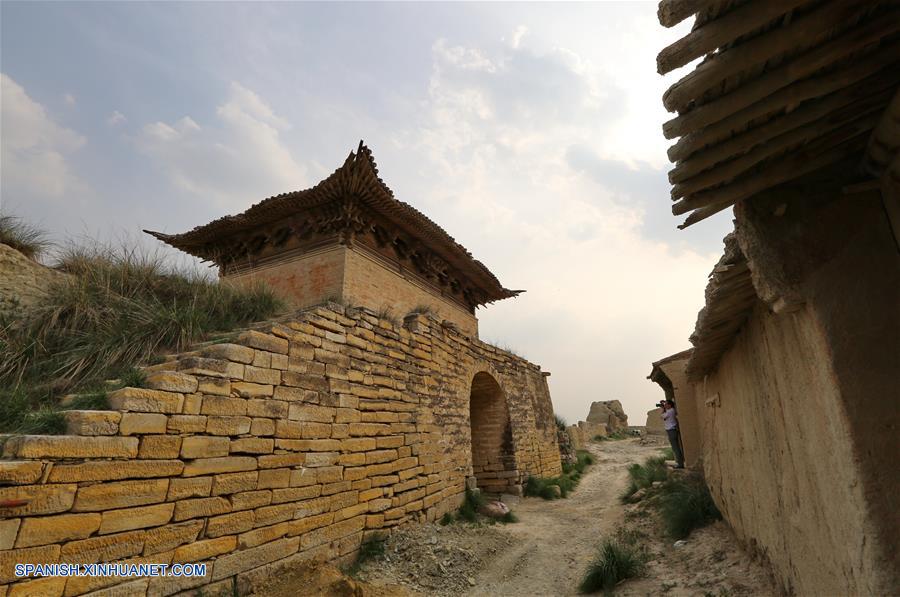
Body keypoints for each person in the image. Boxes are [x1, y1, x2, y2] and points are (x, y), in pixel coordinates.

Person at [661, 399, 685, 468]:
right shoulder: (670, 411)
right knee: (675, 447)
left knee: (675, 448)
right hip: (671, 430)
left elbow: (662, 416)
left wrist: (662, 409)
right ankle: (679, 462)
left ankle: (680, 464)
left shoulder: (670, 411)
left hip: (671, 430)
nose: (665, 405)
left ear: (670, 405)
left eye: (666, 404)